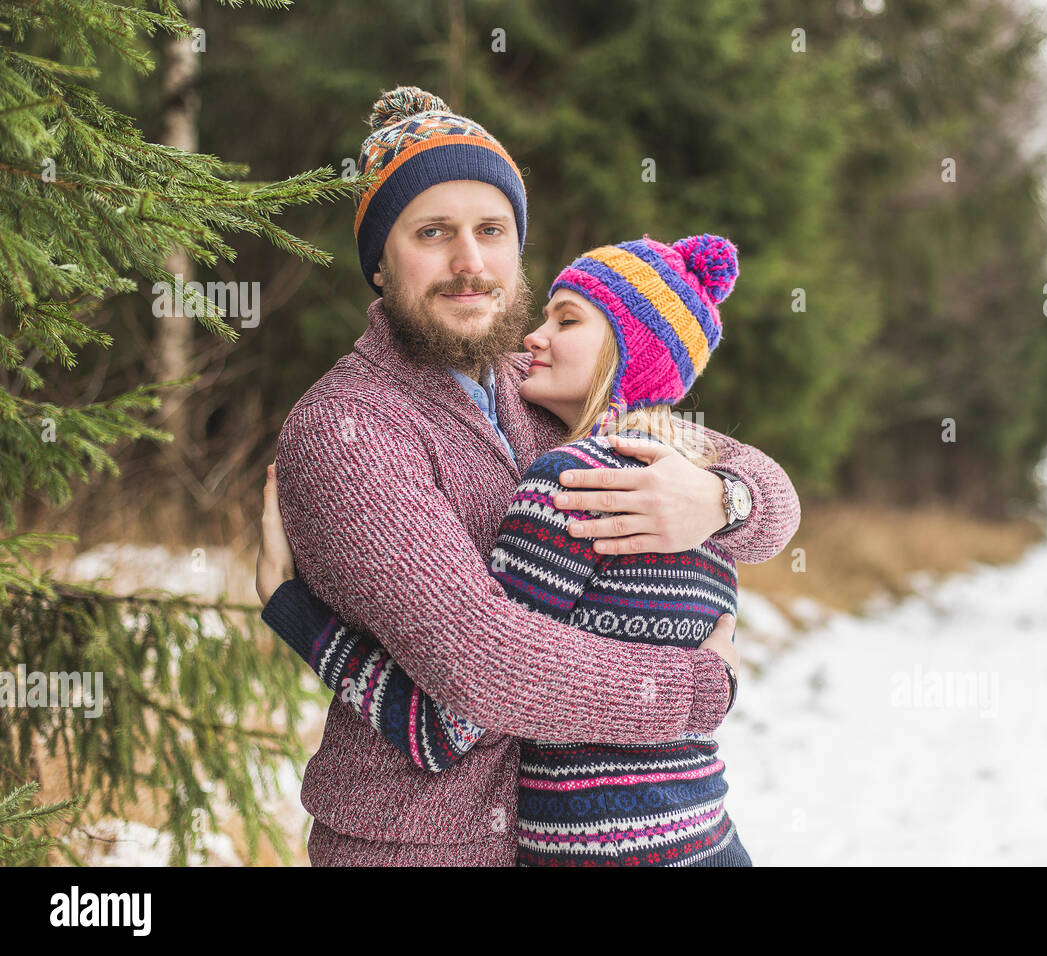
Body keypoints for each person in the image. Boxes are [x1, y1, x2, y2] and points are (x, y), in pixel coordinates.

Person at [262, 86, 801, 866]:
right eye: (432, 233)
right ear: (379, 261)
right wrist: (696, 691)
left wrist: (718, 499)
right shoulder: (349, 427)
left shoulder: (544, 384)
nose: (469, 262)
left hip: (568, 840)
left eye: (491, 230)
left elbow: (770, 498)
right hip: (421, 846)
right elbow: (484, 663)